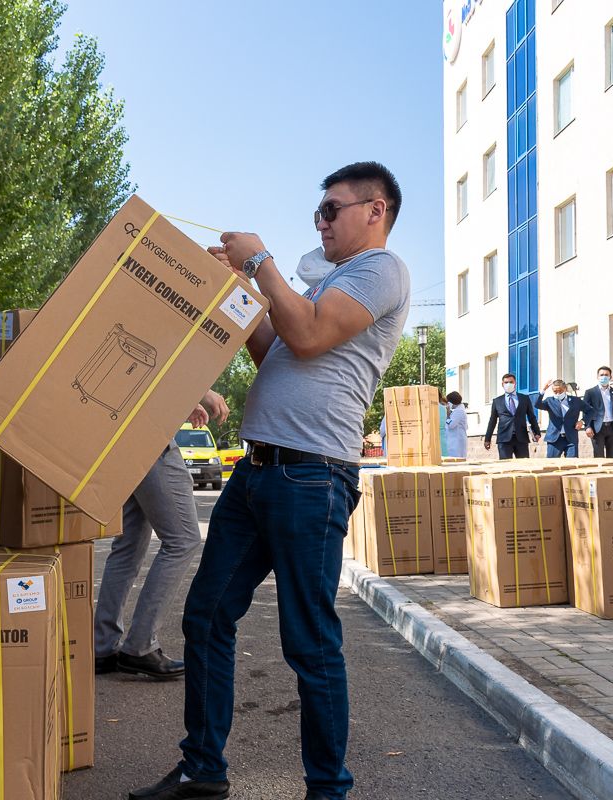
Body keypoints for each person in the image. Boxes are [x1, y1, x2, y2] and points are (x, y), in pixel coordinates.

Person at [129, 162, 409, 800]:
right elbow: (275, 348)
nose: (322, 221)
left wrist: (261, 264)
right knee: (205, 615)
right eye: (318, 212)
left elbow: (307, 337)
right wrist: (236, 290)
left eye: (332, 210)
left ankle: (327, 790)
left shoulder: (380, 271)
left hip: (312, 477)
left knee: (308, 641)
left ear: (376, 210)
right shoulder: (330, 281)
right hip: (257, 473)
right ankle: (203, 770)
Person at [95, 390, 230, 679]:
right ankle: (139, 647)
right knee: (183, 540)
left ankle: (102, 647)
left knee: (129, 544)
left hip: (122, 431)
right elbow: (161, 353)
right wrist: (200, 390)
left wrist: (182, 399)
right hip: (148, 434)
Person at [483, 373, 541, 459]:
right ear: (502, 384)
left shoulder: (524, 398)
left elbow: (531, 416)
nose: (508, 384)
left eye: (511, 382)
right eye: (506, 382)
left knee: (523, 465)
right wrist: (487, 439)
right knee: (505, 465)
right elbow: (492, 421)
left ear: (515, 383)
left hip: (521, 438)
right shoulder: (497, 401)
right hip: (504, 438)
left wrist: (537, 432)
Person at [583, 366, 613, 458]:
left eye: (606, 375)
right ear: (597, 377)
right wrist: (587, 427)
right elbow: (586, 412)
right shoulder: (590, 392)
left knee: (612, 457)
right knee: (599, 456)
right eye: (601, 375)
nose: (604, 377)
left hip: (612, 428)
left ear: (610, 377)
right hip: (597, 429)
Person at [538, 379, 586, 458]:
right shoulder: (550, 401)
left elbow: (591, 411)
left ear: (565, 389)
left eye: (560, 391)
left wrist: (582, 421)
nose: (557, 393)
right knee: (551, 465)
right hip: (554, 439)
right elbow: (537, 404)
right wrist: (543, 390)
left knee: (572, 465)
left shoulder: (576, 401)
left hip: (570, 439)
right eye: (555, 392)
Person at [445, 391, 468, 458]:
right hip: (455, 440)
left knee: (457, 459)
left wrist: (448, 415)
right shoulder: (457, 411)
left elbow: (451, 425)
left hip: (456, 441)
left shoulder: (459, 411)